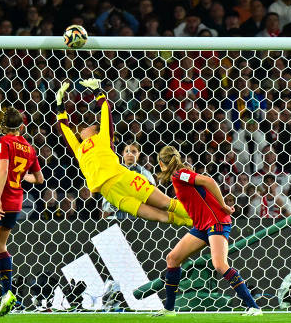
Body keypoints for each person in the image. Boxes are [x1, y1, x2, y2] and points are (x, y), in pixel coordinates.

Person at [54, 79, 191, 227]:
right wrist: (59, 105)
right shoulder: (78, 149)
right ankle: (194, 224)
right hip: (111, 194)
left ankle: (209, 217)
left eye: (90, 125)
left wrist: (97, 92)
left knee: (166, 204)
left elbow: (106, 110)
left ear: (95, 131)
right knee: (161, 217)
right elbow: (65, 130)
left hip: (123, 179)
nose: (84, 127)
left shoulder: (103, 137)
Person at [155, 145, 262, 317]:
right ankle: (169, 309)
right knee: (173, 258)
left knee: (219, 265)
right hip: (203, 225)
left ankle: (253, 307)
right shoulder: (180, 175)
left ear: (161, 163)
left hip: (216, 221)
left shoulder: (179, 174)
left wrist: (223, 205)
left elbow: (209, 181)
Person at [0, 108, 44, 322]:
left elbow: (2, 170)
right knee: (1, 247)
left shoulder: (1, 143)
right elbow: (39, 179)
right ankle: (8, 293)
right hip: (16, 203)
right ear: (21, 126)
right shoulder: (28, 148)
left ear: (1, 125)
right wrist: (22, 177)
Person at [101, 142, 155, 220]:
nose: (130, 154)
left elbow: (153, 201)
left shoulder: (146, 175)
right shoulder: (114, 174)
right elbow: (106, 207)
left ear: (139, 154)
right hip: (117, 219)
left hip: (140, 220)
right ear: (122, 153)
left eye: (133, 152)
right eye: (127, 151)